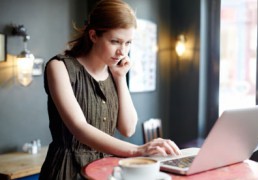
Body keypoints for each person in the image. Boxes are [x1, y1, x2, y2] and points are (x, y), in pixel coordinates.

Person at [39, 0, 181, 179]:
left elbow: (128, 129)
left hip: (105, 171)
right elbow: (79, 128)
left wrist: (120, 78)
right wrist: (138, 150)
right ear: (93, 35)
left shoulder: (115, 72)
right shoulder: (59, 67)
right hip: (67, 171)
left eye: (128, 43)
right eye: (115, 41)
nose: (123, 51)